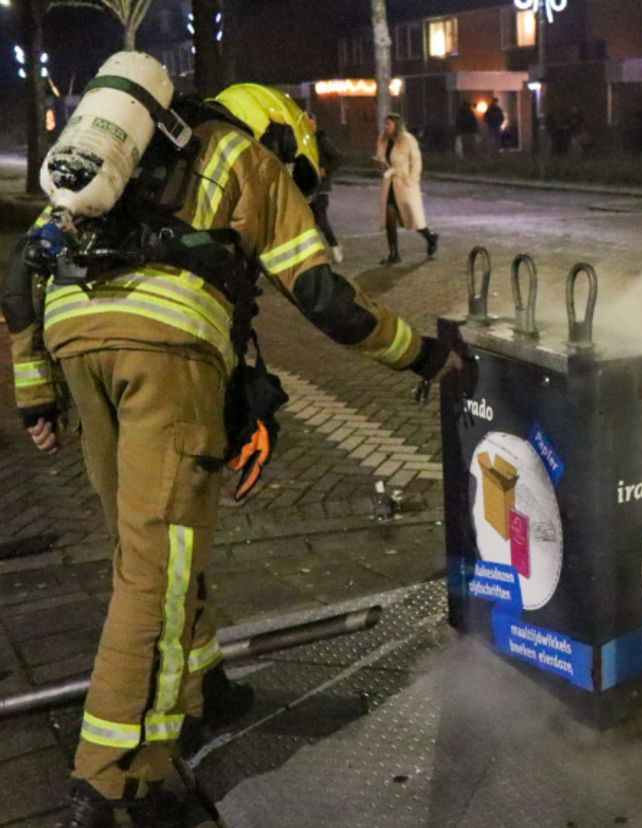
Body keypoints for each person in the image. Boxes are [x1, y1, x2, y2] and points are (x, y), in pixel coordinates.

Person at [2, 61, 461, 828]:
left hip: (78, 351)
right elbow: (324, 300)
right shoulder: (246, 160)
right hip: (165, 362)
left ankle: (202, 686)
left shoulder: (129, 165)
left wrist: (33, 394)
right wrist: (423, 354)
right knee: (155, 569)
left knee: (154, 543)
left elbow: (22, 275)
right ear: (280, 135)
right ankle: (113, 776)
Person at [376, 113, 439, 266]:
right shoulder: (383, 140)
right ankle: (394, 254)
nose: (386, 127)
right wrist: (380, 164)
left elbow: (416, 160)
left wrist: (412, 178)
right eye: (385, 124)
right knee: (389, 219)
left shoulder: (407, 139)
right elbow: (382, 157)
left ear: (396, 125)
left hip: (405, 184)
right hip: (390, 183)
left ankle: (430, 237)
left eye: (389, 124)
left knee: (413, 218)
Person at [310, 122, 343, 263]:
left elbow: (338, 157)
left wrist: (325, 169)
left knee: (321, 219)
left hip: (321, 188)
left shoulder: (321, 140)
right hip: (307, 187)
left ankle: (334, 246)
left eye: (309, 119)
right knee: (308, 221)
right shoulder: (300, 139)